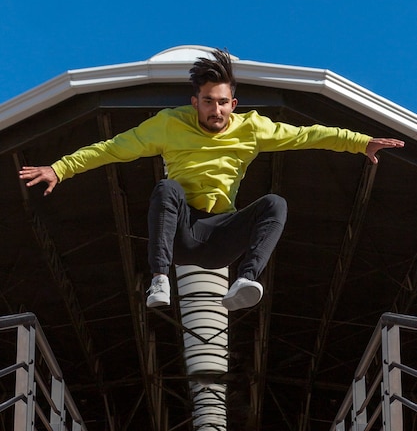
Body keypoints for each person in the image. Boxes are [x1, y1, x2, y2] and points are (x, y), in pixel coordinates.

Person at [19, 49, 404, 311]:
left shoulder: (252, 128)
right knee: (167, 187)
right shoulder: (169, 125)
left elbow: (308, 135)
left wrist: (360, 142)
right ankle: (158, 280)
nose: (215, 110)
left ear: (233, 104)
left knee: (275, 204)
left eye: (222, 102)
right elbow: (112, 148)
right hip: (180, 232)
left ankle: (246, 281)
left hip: (222, 237)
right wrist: (60, 167)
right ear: (195, 101)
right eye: (207, 102)